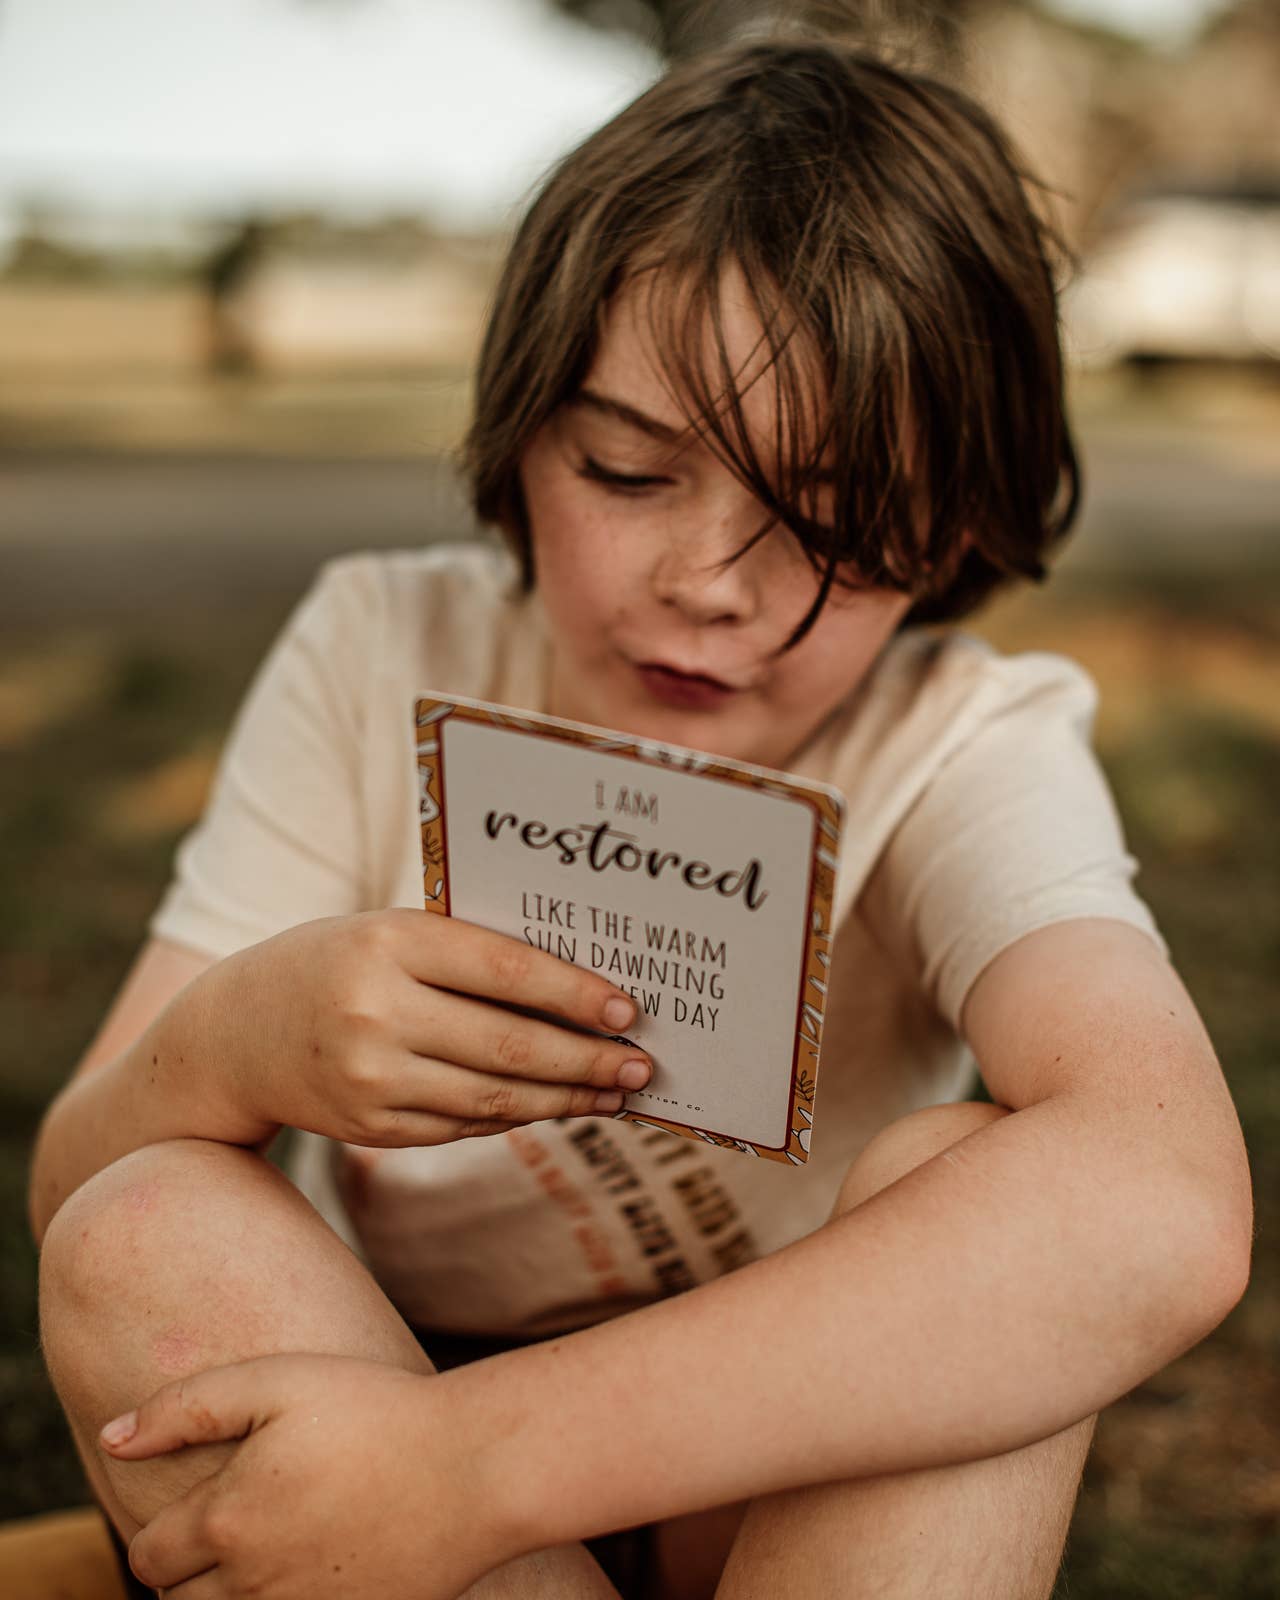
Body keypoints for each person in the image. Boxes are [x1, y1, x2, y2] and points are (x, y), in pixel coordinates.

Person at [31, 35, 1251, 1600]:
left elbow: (1166, 1197)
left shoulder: (962, 747)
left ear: (954, 521)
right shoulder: (377, 648)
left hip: (766, 1467)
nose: (710, 586)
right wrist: (232, 1044)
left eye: (831, 517)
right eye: (627, 470)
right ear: (522, 433)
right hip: (371, 1393)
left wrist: (470, 1473)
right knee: (145, 1218)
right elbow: (77, 1193)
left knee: (986, 1193)